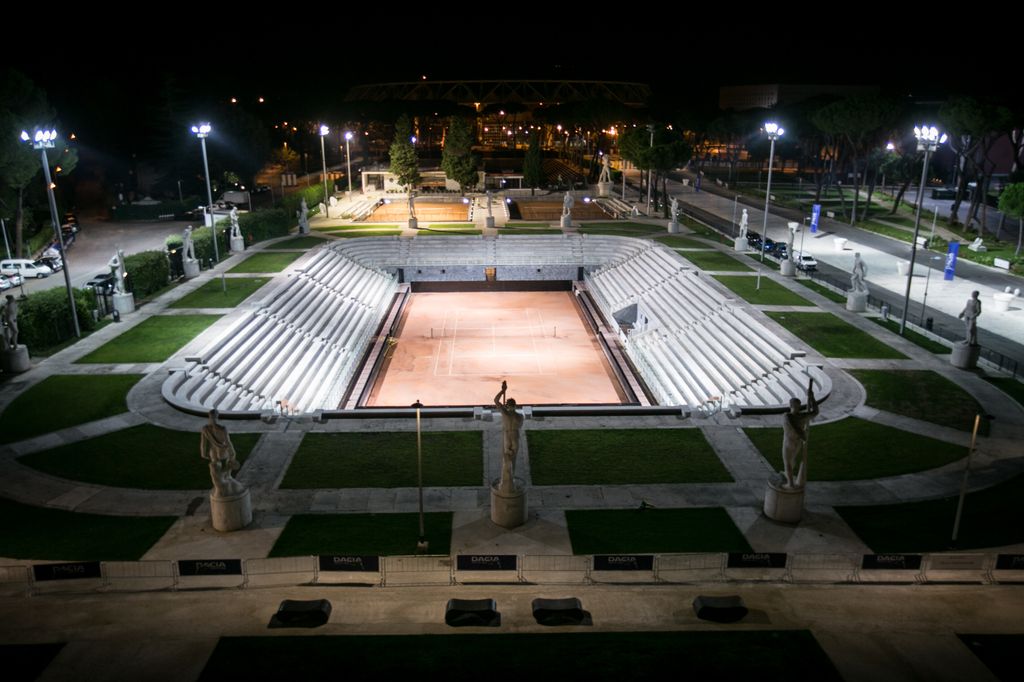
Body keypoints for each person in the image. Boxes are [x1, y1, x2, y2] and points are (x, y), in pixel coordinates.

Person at [781, 381, 818, 490]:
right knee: (792, 461)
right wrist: (812, 398)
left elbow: (794, 427)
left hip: (789, 442)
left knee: (787, 462)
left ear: (790, 405)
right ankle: (789, 475)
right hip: (798, 442)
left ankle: (790, 484)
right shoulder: (802, 416)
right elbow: (816, 411)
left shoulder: (786, 416)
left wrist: (802, 434)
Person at [200, 410, 245, 497]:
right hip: (223, 451)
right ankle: (227, 478)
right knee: (228, 466)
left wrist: (203, 453)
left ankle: (221, 485)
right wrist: (232, 451)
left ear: (209, 417)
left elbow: (203, 443)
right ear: (217, 416)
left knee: (216, 469)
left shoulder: (205, 429)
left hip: (213, 452)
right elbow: (228, 442)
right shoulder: (222, 428)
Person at [494, 380, 524, 493]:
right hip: (515, 435)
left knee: (506, 459)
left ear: (507, 405)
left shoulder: (504, 413)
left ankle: (504, 480)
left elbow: (496, 400)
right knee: (513, 460)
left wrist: (503, 391)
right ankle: (512, 480)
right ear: (515, 406)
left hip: (507, 435)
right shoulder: (520, 416)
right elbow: (520, 426)